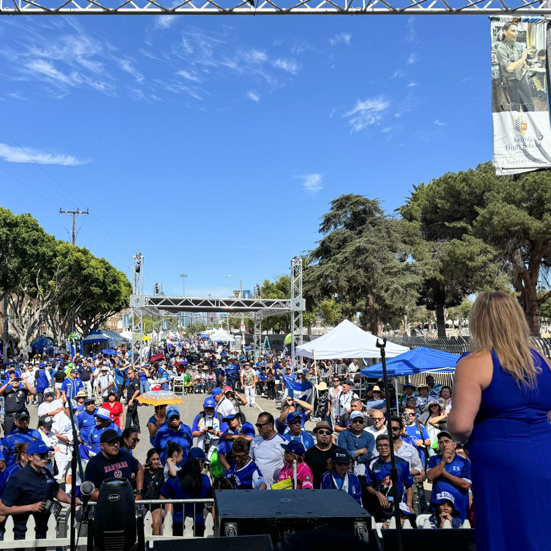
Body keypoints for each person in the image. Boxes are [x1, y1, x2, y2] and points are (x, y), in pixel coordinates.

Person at [0, 440, 76, 540]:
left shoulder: (46, 472)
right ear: (30, 457)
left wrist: (70, 500)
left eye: (47, 454)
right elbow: (3, 509)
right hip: (24, 533)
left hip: (46, 529)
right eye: (41, 455)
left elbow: (56, 490)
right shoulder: (18, 478)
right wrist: (30, 507)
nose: (45, 458)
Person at [160, 449, 212, 537]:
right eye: (203, 462)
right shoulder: (205, 479)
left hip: (177, 523)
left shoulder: (175, 479)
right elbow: (210, 502)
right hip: (198, 523)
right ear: (200, 462)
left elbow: (162, 497)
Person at [364, 434, 414, 521]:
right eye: (380, 445)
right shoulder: (372, 464)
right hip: (379, 505)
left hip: (399, 505)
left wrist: (409, 505)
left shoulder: (402, 463)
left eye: (386, 445)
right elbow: (367, 485)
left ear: (392, 446)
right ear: (376, 448)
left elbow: (409, 486)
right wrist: (377, 494)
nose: (383, 448)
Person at [84, 429, 143, 502]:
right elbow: (92, 494)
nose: (115, 445)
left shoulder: (125, 455)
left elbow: (139, 468)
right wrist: (116, 496)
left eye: (117, 442)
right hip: (106, 507)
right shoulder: (94, 463)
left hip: (126, 505)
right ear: (102, 446)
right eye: (111, 443)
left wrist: (139, 492)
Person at [426, 431, 471, 522]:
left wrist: (445, 474)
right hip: (438, 508)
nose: (444, 444)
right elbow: (430, 476)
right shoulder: (434, 460)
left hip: (459, 508)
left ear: (454, 444)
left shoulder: (464, 463)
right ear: (438, 446)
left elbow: (466, 485)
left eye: (447, 441)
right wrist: (443, 462)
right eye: (441, 442)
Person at [495, 21, 536, 112]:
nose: (516, 34)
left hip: (522, 78)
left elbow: (521, 59)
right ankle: (516, 124)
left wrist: (525, 65)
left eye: (517, 31)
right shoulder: (501, 49)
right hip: (511, 82)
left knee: (529, 104)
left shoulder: (518, 45)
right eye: (513, 31)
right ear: (505, 32)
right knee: (515, 106)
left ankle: (531, 123)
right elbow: (509, 68)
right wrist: (523, 58)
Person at [250, 412, 285, 487]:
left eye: (260, 426)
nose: (258, 428)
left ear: (270, 426)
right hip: (257, 489)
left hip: (275, 490)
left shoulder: (283, 442)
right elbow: (250, 461)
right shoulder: (255, 441)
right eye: (257, 425)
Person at [337, 411, 375, 480]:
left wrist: (355, 458)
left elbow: (369, 454)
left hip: (365, 470)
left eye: (360, 421)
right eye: (355, 421)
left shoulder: (370, 436)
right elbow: (343, 452)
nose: (358, 424)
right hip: (346, 468)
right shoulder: (343, 434)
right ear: (350, 421)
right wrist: (361, 451)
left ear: (364, 423)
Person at [304, 421, 337, 489]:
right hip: (316, 492)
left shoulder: (338, 452)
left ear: (330, 436)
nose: (324, 434)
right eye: (321, 432)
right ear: (315, 434)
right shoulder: (309, 454)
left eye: (327, 433)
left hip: (335, 492)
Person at [142, 449, 165, 535]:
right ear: (148, 460)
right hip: (144, 507)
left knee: (155, 522)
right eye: (153, 459)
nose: (156, 462)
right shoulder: (143, 473)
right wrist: (140, 470)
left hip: (158, 507)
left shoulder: (163, 472)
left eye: (158, 459)